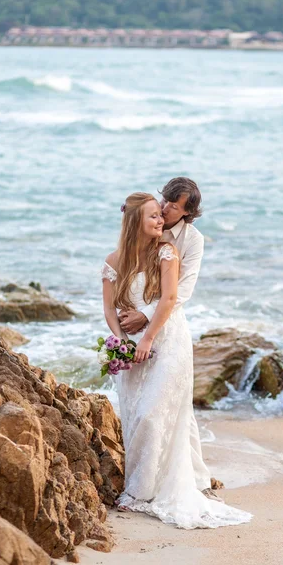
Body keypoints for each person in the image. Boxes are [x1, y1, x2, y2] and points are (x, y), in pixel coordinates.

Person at [101, 190, 252, 529]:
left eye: (167, 210)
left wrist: (149, 334)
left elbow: (173, 297)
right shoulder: (113, 260)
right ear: (134, 221)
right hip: (134, 343)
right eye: (156, 211)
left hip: (167, 339)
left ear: (187, 212)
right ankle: (148, 482)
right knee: (137, 415)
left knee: (156, 412)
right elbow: (109, 308)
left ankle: (142, 492)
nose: (163, 215)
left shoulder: (176, 248)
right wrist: (122, 342)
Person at [119, 177, 217, 501]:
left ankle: (191, 481)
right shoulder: (151, 224)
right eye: (165, 200)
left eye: (174, 206)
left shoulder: (192, 240)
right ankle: (174, 478)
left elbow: (181, 292)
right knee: (148, 407)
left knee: (174, 407)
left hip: (170, 329)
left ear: (187, 212)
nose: (165, 208)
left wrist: (146, 317)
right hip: (141, 329)